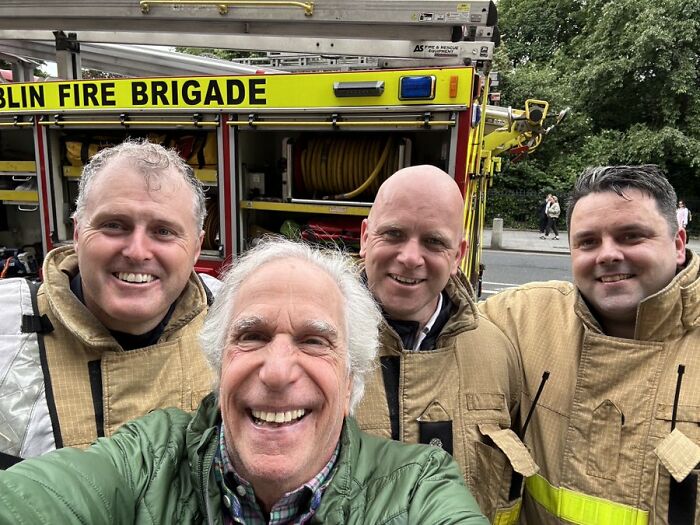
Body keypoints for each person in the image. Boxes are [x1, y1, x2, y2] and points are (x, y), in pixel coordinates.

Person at [0, 237, 489, 525]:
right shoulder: (147, 461)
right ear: (219, 366)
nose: (277, 371)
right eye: (251, 336)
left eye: (314, 341)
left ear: (351, 381)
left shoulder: (417, 488)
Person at [480, 165, 699, 524]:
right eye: (587, 241)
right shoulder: (523, 318)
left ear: (677, 244)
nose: (607, 254)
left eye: (631, 236)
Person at [0, 139, 215, 466]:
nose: (137, 251)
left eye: (163, 231)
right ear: (77, 232)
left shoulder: (231, 316)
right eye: (114, 225)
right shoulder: (7, 332)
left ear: (197, 248)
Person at [355, 165, 532, 522]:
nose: (410, 257)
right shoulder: (314, 344)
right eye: (393, 234)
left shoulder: (498, 352)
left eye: (434, 242)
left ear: (458, 255)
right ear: (364, 237)